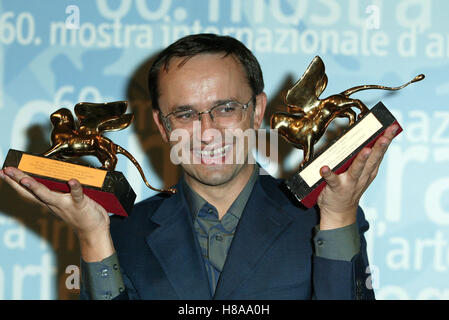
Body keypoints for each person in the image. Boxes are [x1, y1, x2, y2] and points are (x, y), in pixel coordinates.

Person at [0, 33, 398, 300]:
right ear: (162, 124)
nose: (207, 132)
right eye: (185, 114)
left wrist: (340, 216)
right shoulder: (122, 231)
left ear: (257, 110)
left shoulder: (322, 214)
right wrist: (92, 237)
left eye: (225, 108)